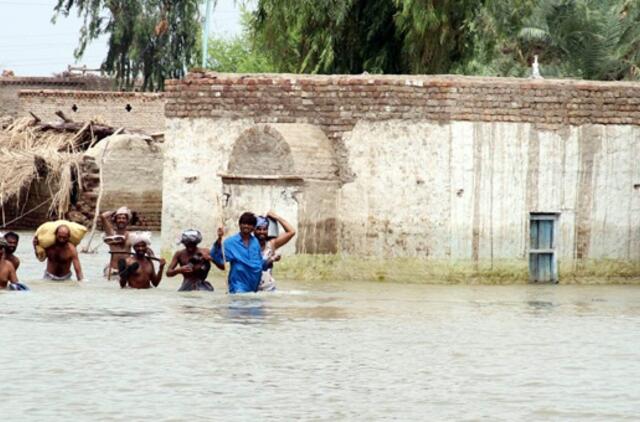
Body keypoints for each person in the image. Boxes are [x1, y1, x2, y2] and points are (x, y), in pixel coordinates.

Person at [210, 212, 265, 294]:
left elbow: (259, 262)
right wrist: (219, 239)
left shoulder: (255, 242)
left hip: (254, 284)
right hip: (238, 284)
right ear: (239, 225)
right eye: (244, 223)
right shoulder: (230, 242)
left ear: (253, 227)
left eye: (249, 224)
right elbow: (216, 256)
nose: (246, 226)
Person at [255, 211, 296, 291]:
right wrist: (272, 259)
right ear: (254, 230)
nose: (262, 232)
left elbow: (291, 232)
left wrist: (276, 217)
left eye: (264, 229)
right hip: (253, 289)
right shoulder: (249, 244)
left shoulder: (271, 244)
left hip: (269, 289)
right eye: (259, 229)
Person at [101, 207, 134, 278]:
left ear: (127, 221)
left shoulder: (131, 236)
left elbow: (140, 249)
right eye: (119, 218)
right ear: (115, 220)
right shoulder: (111, 234)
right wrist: (116, 211)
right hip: (112, 270)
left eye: (123, 218)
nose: (121, 220)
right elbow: (103, 216)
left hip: (125, 270)